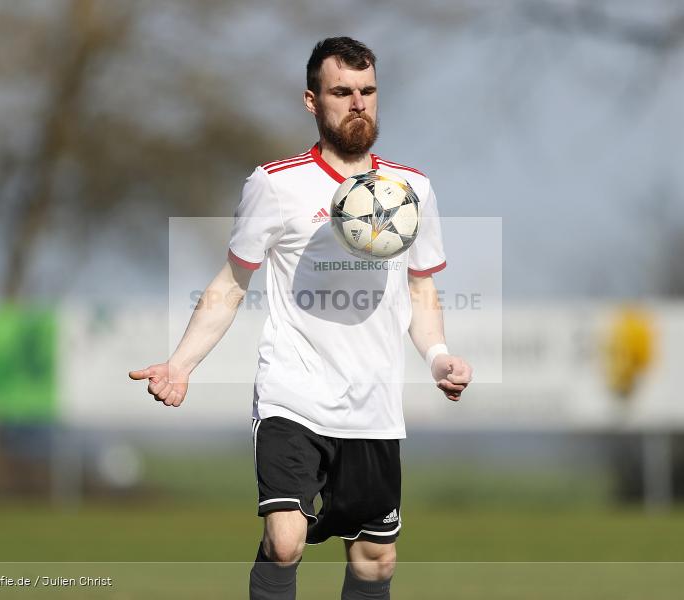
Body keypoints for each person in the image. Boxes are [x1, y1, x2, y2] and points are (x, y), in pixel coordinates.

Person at [129, 36, 472, 600]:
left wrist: (437, 358)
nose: (358, 102)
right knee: (285, 539)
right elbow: (231, 284)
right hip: (294, 391)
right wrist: (181, 364)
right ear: (313, 101)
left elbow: (421, 292)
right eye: (342, 91)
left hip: (373, 405)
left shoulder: (412, 191)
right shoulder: (275, 184)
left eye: (367, 91)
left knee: (375, 560)